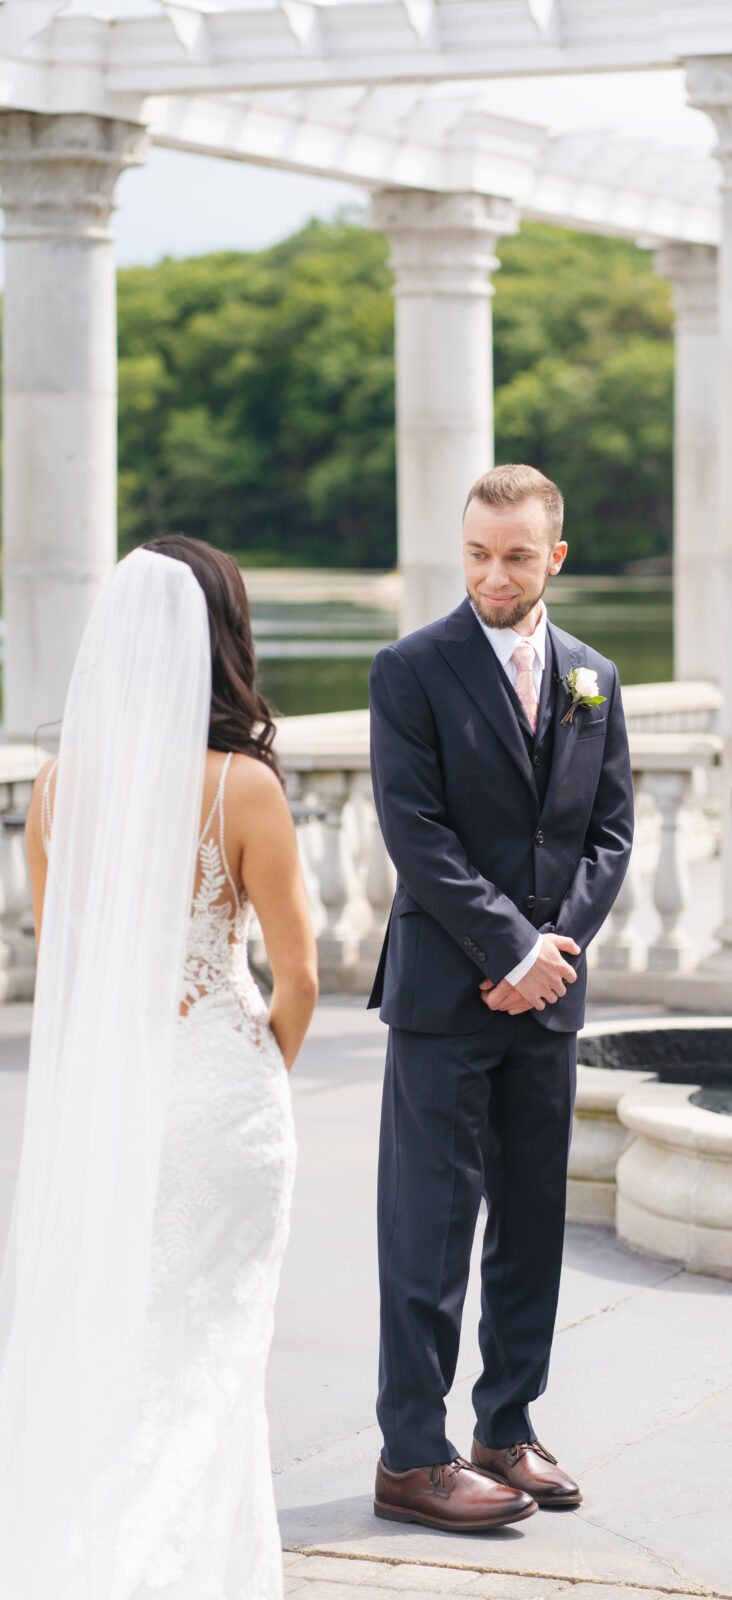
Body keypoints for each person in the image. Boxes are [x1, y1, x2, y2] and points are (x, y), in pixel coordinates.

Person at [0, 537, 318, 1598]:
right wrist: (249, 1073)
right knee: (215, 1358)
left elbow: (69, 966)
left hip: (112, 1101)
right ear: (225, 636)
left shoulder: (54, 788)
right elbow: (300, 978)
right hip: (220, 1099)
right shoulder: (244, 786)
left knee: (130, 1352)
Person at [368, 464, 634, 1532]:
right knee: (427, 1228)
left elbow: (609, 832)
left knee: (530, 1220)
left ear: (553, 557)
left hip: (548, 997)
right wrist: (509, 947)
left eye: (515, 554)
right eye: (477, 551)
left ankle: (504, 1428)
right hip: (446, 992)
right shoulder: (410, 669)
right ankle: (409, 1455)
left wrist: (553, 952)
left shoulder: (592, 678)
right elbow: (415, 834)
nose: (492, 572)